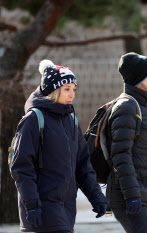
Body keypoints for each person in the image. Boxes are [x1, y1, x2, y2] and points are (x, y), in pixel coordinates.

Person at [10, 60, 108, 233]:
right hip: (41, 207)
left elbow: (83, 165)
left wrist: (96, 197)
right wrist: (31, 205)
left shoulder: (71, 121)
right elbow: (21, 167)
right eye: (67, 89)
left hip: (66, 209)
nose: (72, 94)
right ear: (53, 91)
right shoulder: (33, 119)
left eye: (74, 89)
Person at [107, 52, 147, 233]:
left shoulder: (143, 107)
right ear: (137, 78)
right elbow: (121, 157)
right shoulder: (127, 107)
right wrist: (132, 196)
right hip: (131, 197)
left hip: (146, 194)